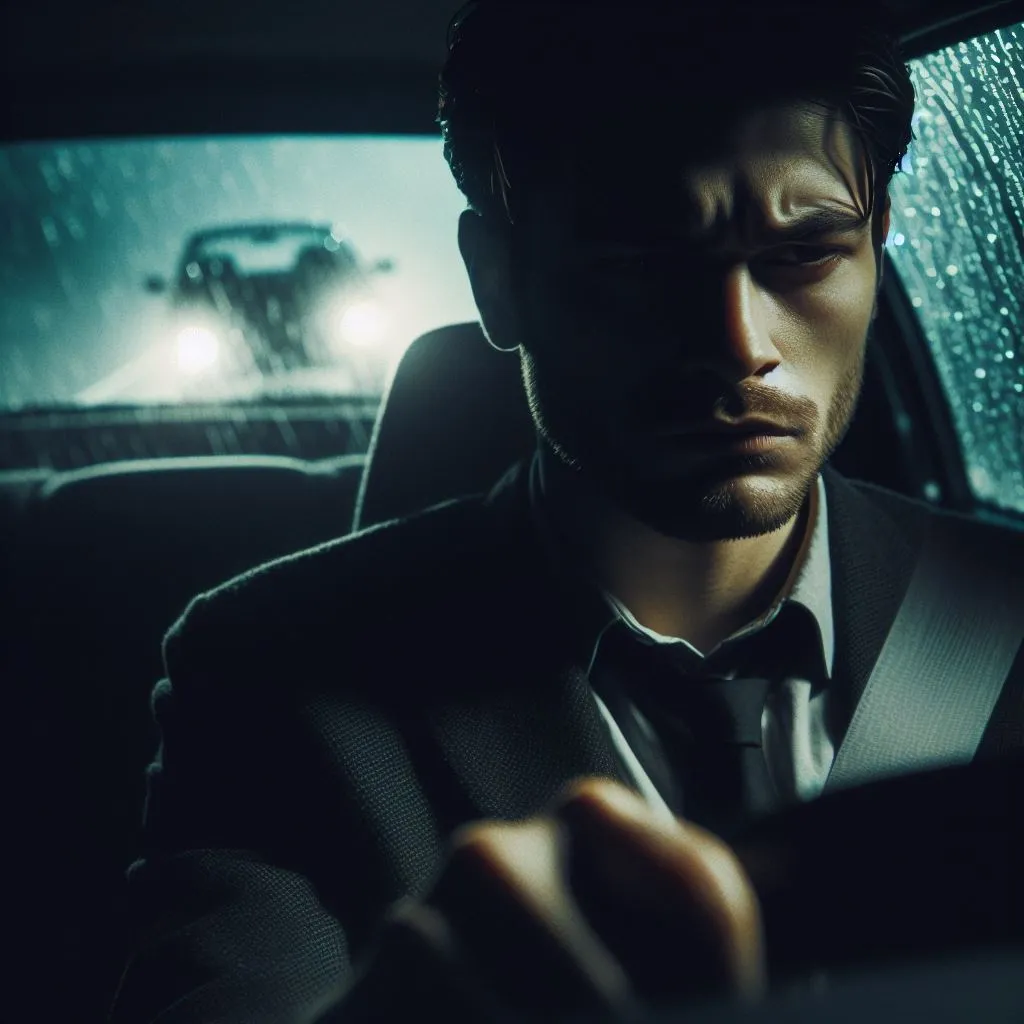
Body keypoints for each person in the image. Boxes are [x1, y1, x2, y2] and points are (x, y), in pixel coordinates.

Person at [109, 1, 1024, 1021]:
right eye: (640, 261)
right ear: (498, 280)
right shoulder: (266, 678)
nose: (739, 340)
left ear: (876, 245)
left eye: (805, 252)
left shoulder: (1006, 621)